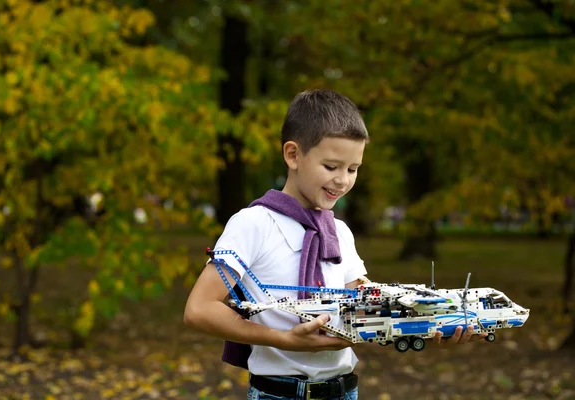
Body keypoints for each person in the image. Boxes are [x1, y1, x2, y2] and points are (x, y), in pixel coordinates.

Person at [184, 89, 486, 400]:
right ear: (293, 155)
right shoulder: (254, 224)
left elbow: (364, 304)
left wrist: (431, 324)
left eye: (353, 169)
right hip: (280, 394)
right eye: (331, 167)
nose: (343, 180)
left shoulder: (339, 231)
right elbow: (199, 309)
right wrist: (284, 339)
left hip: (343, 391)